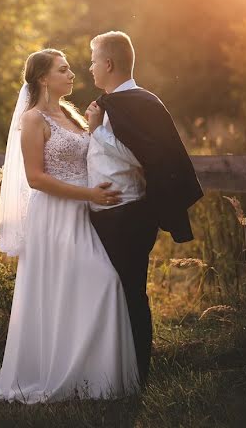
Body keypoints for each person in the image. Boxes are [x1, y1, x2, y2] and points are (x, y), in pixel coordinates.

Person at [0, 48, 140, 404]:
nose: (73, 75)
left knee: (88, 288)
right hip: (54, 215)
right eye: (64, 70)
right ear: (43, 78)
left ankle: (94, 381)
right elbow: (36, 178)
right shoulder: (33, 120)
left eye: (70, 69)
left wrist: (96, 127)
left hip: (82, 215)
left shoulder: (70, 113)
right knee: (100, 282)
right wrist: (89, 194)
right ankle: (59, 375)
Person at [85, 31, 204, 388]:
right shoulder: (109, 105)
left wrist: (97, 133)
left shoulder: (142, 103)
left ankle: (135, 374)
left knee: (130, 292)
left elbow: (147, 158)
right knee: (107, 293)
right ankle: (109, 369)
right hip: (103, 214)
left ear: (108, 63)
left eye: (93, 61)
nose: (89, 68)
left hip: (128, 215)